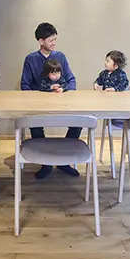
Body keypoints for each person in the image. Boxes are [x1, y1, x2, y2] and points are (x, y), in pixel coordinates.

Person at [21, 22, 79, 180]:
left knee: (78, 121)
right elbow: (25, 84)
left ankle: (64, 161)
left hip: (61, 102)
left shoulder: (60, 57)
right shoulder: (31, 59)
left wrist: (65, 92)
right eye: (51, 40)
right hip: (38, 104)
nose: (54, 43)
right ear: (41, 41)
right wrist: (35, 99)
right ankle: (45, 163)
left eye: (55, 39)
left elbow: (71, 80)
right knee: (35, 123)